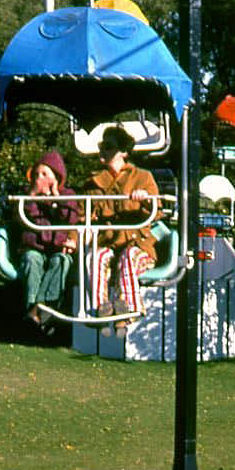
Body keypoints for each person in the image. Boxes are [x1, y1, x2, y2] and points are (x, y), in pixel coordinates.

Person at [85, 125, 159, 331]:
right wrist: (76, 238)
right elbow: (84, 216)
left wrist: (145, 200)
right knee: (96, 257)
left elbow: (157, 210)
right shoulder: (94, 183)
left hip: (137, 244)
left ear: (124, 152)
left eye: (108, 147)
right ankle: (101, 309)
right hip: (109, 242)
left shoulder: (143, 178)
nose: (103, 151)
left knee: (128, 258)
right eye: (102, 146)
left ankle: (128, 311)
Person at [13, 151, 79, 327]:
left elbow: (70, 219)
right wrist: (32, 196)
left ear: (56, 176)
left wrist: (57, 198)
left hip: (58, 248)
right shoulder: (27, 196)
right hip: (34, 247)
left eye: (44, 174)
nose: (38, 178)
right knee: (31, 260)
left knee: (61, 261)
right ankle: (32, 307)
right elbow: (23, 216)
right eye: (36, 175)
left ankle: (43, 307)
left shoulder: (68, 195)